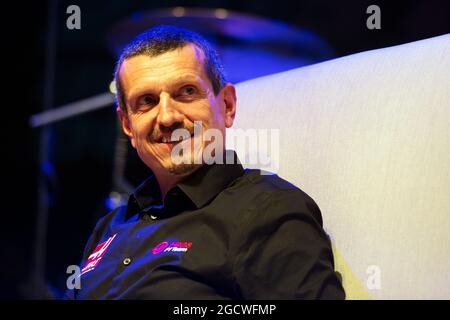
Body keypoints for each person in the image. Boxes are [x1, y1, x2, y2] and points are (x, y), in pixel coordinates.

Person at [66, 25, 345, 299]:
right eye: (147, 101)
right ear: (127, 124)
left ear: (227, 105)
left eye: (186, 92)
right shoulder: (111, 225)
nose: (167, 117)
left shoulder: (268, 211)